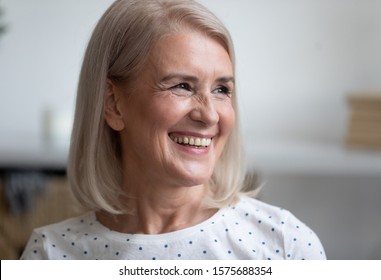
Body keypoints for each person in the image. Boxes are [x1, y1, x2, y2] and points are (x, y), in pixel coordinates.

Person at [21, 0, 326, 260]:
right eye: (182, 86)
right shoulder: (50, 255)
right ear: (112, 104)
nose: (209, 115)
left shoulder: (286, 246)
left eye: (221, 89)